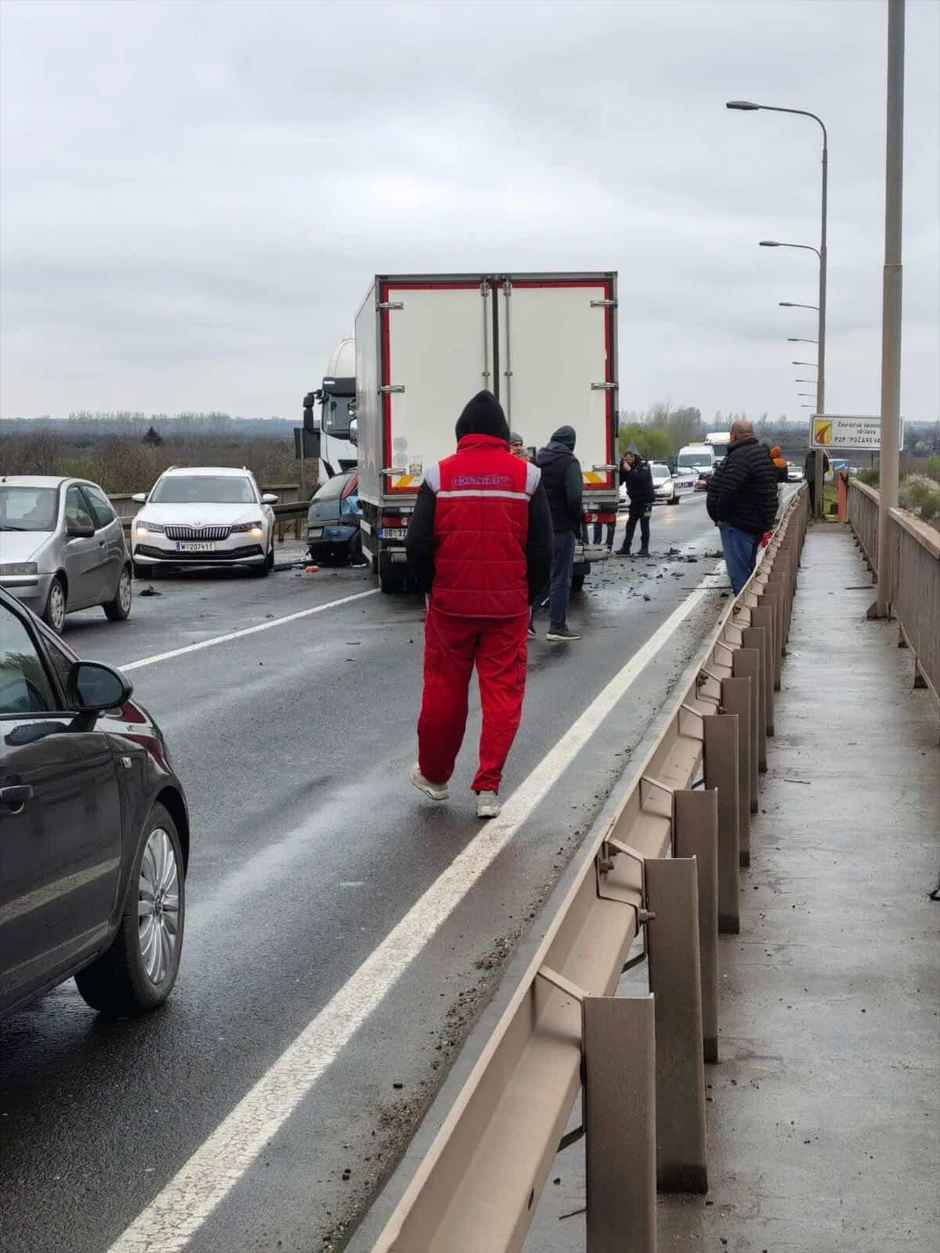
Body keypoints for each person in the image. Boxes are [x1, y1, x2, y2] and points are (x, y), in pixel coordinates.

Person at [405, 391, 553, 820]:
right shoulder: (528, 478)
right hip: (507, 609)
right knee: (503, 695)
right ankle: (488, 788)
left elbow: (417, 542)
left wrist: (432, 588)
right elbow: (542, 547)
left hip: (450, 606)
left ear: (461, 433)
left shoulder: (438, 476)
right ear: (503, 434)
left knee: (443, 691)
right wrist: (528, 595)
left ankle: (435, 777)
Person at [706, 419, 779, 595]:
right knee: (748, 571)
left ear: (733, 435)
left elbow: (729, 490)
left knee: (740, 576)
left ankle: (744, 609)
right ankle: (749, 606)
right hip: (754, 522)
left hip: (738, 525)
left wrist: (721, 516)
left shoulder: (741, 457)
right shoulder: (760, 454)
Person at [534, 425, 583, 643]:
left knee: (541, 577)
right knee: (561, 577)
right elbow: (574, 497)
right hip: (562, 527)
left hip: (541, 528)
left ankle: (527, 622)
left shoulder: (538, 460)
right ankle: (557, 625)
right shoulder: (569, 462)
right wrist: (578, 516)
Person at [616, 446, 654, 557]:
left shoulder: (643, 465)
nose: (627, 462)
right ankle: (626, 547)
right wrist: (620, 469)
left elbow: (641, 477)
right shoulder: (627, 467)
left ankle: (644, 548)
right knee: (630, 524)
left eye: (629, 459)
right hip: (635, 501)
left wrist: (629, 470)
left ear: (633, 457)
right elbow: (620, 481)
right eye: (625, 460)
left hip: (646, 500)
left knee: (644, 524)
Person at [804, 446, 831, 516]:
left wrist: (819, 473)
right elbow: (806, 466)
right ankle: (814, 511)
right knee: (812, 495)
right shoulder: (809, 455)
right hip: (811, 479)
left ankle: (819, 511)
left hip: (818, 479)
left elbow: (827, 467)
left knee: (818, 495)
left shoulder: (822, 455)